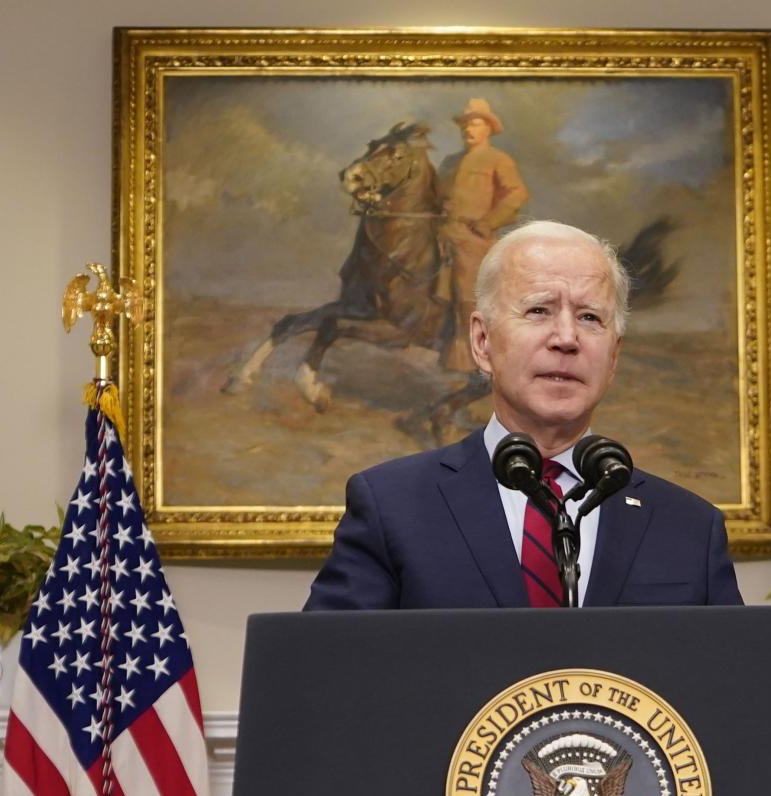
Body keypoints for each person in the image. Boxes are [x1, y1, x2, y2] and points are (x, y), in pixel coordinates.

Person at [304, 220, 743, 609]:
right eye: (539, 310)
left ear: (613, 357)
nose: (567, 338)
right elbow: (326, 680)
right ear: (482, 342)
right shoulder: (392, 507)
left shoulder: (690, 528)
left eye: (590, 318)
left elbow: (730, 691)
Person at [436, 98, 530, 373]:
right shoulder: (450, 162)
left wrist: (490, 222)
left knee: (470, 300)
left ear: (488, 128)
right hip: (442, 236)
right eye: (465, 124)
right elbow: (436, 196)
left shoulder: (498, 160)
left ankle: (482, 365)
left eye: (474, 123)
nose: (468, 129)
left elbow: (517, 194)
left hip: (474, 240)